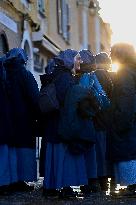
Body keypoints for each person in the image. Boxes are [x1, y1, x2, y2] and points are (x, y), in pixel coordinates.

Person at [41, 49, 89, 199]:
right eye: (78, 58)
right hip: (61, 126)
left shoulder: (57, 75)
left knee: (55, 158)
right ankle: (65, 188)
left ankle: (52, 187)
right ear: (69, 60)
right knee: (64, 158)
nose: (80, 61)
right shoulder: (65, 77)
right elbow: (67, 102)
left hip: (53, 126)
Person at [3, 48, 40, 192]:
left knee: (11, 151)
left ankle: (11, 180)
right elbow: (34, 97)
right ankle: (20, 180)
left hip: (7, 119)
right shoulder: (25, 75)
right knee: (23, 150)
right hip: (24, 119)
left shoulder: (4, 73)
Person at [109, 43, 136, 196]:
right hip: (130, 121)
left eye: (112, 52)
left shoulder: (125, 73)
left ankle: (132, 186)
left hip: (126, 122)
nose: (110, 55)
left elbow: (126, 99)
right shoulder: (131, 71)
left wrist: (119, 121)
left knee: (127, 152)